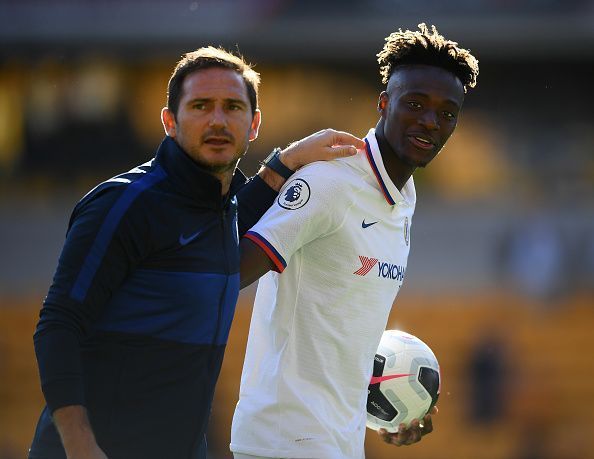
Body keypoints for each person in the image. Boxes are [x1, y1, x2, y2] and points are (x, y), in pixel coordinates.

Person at [29, 47, 364, 459]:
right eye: (201, 106)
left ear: (254, 124)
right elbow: (58, 324)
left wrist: (288, 160)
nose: (218, 120)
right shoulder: (123, 204)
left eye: (233, 107)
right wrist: (80, 445)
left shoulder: (223, 209)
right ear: (170, 121)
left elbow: (230, 221)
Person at [231, 23, 479, 459]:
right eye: (415, 104)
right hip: (283, 442)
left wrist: (390, 409)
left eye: (447, 113)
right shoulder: (330, 183)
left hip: (338, 444)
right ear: (384, 104)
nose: (430, 121)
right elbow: (227, 271)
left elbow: (338, 326)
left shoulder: (402, 202)